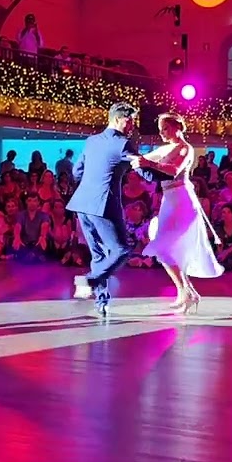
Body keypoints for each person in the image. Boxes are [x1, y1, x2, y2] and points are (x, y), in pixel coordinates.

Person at [66, 103, 160, 317]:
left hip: (82, 204)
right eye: (130, 120)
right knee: (121, 250)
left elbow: (77, 171)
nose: (133, 125)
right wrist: (165, 176)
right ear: (118, 119)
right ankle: (89, 281)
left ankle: (102, 302)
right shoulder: (123, 143)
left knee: (98, 255)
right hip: (103, 204)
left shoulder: (91, 141)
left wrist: (89, 185)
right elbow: (144, 171)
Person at [132, 112, 224, 313]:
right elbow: (142, 159)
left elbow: (174, 170)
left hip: (181, 199)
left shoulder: (185, 148)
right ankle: (187, 292)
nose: (162, 133)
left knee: (166, 248)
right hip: (169, 199)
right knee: (165, 250)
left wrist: (150, 164)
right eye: (161, 130)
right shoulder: (166, 148)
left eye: (165, 128)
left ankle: (187, 293)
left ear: (177, 127)